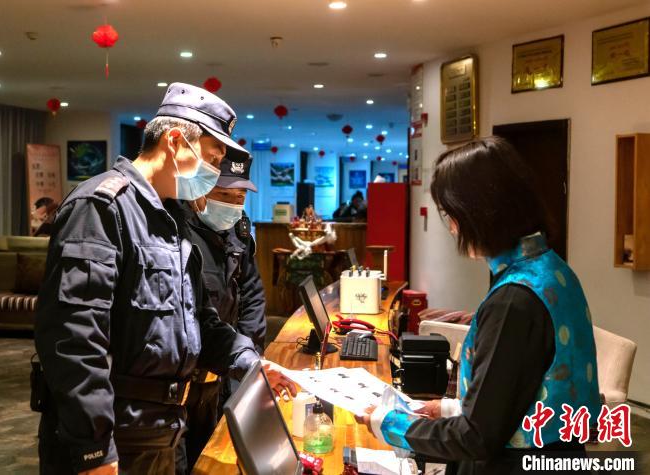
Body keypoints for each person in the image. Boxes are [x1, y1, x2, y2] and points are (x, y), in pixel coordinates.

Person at [34, 83, 295, 475]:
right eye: (211, 158)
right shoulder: (102, 208)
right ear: (174, 142)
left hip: (160, 428)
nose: (213, 173)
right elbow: (74, 339)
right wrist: (94, 448)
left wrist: (250, 363)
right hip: (114, 434)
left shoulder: (171, 217)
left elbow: (200, 319)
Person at [356, 137, 601, 474]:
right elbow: (522, 394)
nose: (452, 228)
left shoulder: (513, 302)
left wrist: (388, 423)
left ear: (480, 213)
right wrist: (450, 409)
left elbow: (476, 437)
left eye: (451, 214)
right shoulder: (555, 271)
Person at [164, 155, 266, 470]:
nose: (233, 205)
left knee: (209, 459)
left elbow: (252, 295)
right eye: (224, 195)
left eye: (240, 197)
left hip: (220, 376)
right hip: (178, 383)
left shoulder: (239, 232)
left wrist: (246, 361)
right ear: (200, 189)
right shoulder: (175, 232)